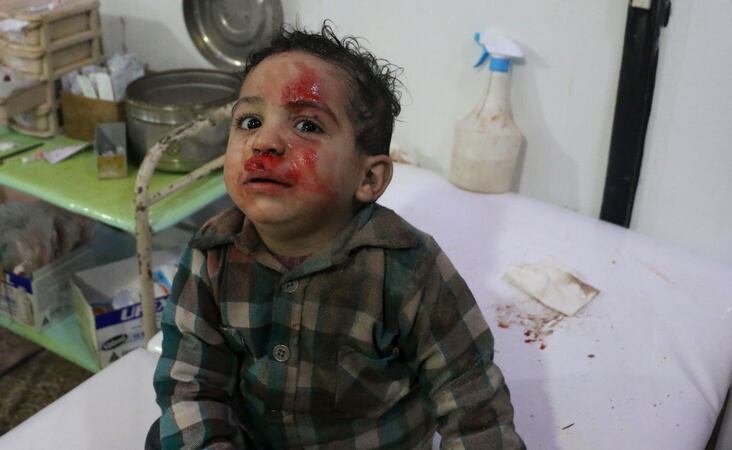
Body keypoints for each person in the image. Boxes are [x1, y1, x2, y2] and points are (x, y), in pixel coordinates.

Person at [151, 22, 525, 449]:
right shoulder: (212, 254)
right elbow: (192, 383)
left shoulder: (409, 268)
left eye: (307, 126)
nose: (264, 142)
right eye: (250, 121)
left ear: (368, 178)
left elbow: (475, 406)